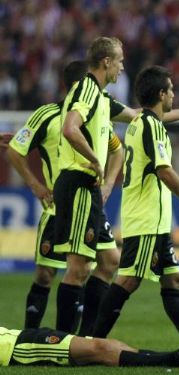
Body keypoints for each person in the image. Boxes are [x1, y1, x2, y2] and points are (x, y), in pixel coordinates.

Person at [54, 37, 179, 335]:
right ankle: (65, 342)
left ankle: (88, 337)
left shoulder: (101, 98)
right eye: (120, 60)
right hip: (78, 182)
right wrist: (94, 160)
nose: (123, 67)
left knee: (110, 260)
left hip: (91, 188)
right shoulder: (87, 88)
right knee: (79, 267)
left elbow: (140, 115)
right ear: (106, 62)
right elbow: (70, 128)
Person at [92, 66, 179, 346]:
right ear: (162, 94)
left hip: (155, 221)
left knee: (173, 281)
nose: (174, 93)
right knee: (128, 280)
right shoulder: (151, 126)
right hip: (146, 218)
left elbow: (152, 119)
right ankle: (91, 342)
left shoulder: (140, 122)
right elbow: (165, 171)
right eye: (171, 89)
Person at [5, 61, 87, 329]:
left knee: (81, 272)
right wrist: (35, 185)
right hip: (55, 210)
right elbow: (15, 151)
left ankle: (72, 341)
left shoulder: (97, 116)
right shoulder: (47, 115)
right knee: (44, 275)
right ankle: (30, 337)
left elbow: (118, 147)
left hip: (87, 208)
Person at [0, 326, 179, 368]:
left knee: (103, 346)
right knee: (98, 349)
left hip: (19, 335)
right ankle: (177, 359)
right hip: (16, 347)